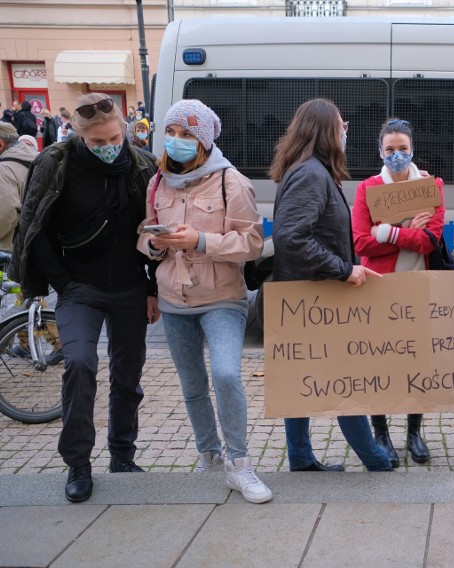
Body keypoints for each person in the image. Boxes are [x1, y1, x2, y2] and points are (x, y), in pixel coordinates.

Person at [9, 93, 159, 503]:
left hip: (130, 286)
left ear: (124, 129)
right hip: (80, 288)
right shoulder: (55, 163)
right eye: (98, 142)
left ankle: (123, 456)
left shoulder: (142, 163)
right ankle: (78, 462)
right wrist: (63, 283)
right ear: (79, 136)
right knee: (78, 363)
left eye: (115, 138)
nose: (109, 147)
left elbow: (156, 228)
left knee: (128, 375)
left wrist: (152, 288)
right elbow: (35, 224)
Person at [137, 99, 272, 504]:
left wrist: (198, 240)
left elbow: (251, 244)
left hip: (222, 298)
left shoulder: (233, 182)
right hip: (173, 298)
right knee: (192, 384)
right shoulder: (157, 182)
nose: (177, 141)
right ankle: (208, 455)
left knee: (227, 375)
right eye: (172, 133)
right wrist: (155, 244)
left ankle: (240, 463)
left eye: (187, 135)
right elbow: (142, 235)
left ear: (205, 140)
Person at [270, 98, 392, 473]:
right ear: (326, 130)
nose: (346, 131)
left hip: (306, 297)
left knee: (301, 381)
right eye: (342, 124)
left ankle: (302, 459)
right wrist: (344, 270)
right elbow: (291, 237)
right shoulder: (311, 174)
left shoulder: (310, 169)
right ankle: (374, 460)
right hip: (316, 300)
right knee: (344, 383)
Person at [351, 118, 445, 467]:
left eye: (402, 149)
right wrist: (404, 230)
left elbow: (429, 239)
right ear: (380, 152)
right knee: (379, 361)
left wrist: (386, 232)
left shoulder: (430, 186)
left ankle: (414, 432)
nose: (397, 155)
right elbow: (361, 240)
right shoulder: (368, 189)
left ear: (412, 149)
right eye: (390, 150)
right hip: (378, 290)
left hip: (419, 288)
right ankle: (381, 433)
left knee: (418, 361)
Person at [0, 122, 37, 252]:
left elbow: (4, 215)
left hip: (10, 249)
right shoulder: (36, 159)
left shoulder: (3, 169)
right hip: (36, 244)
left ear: (0, 145)